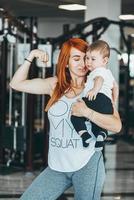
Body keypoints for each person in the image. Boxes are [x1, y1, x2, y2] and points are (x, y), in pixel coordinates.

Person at [10, 38, 121, 200]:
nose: (83, 63)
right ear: (66, 62)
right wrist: (32, 55)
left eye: (85, 58)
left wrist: (86, 112)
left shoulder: (98, 88)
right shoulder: (55, 86)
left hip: (87, 164)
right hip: (57, 166)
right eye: (76, 59)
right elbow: (16, 84)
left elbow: (116, 126)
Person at [71, 40, 119, 151]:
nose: (88, 62)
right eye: (87, 58)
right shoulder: (109, 73)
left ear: (105, 60)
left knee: (75, 115)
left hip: (95, 98)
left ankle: (84, 135)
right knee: (97, 123)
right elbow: (115, 87)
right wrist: (113, 101)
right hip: (106, 103)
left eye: (93, 59)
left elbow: (99, 80)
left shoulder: (98, 71)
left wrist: (94, 90)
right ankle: (101, 135)